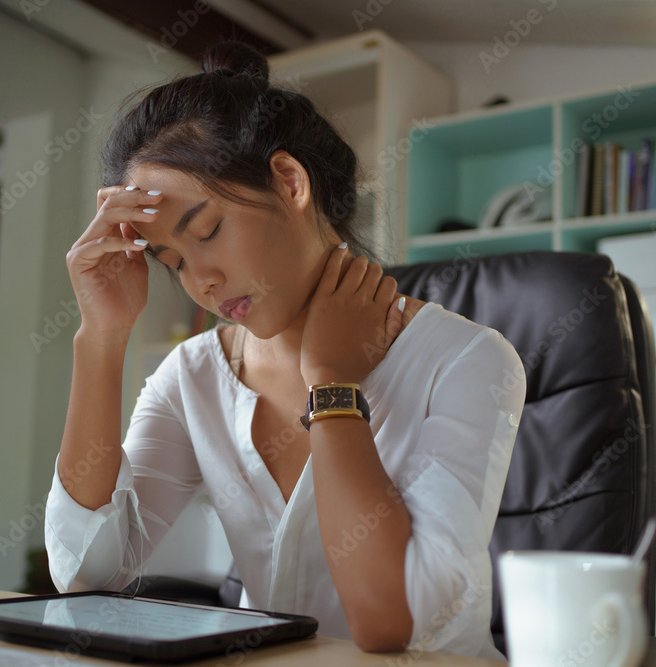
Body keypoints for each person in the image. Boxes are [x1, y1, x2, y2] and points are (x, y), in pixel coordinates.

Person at [44, 40, 525, 659]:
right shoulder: (192, 375)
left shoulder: (468, 360)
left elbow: (391, 623)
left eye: (208, 230)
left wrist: (331, 384)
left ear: (291, 183)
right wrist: (102, 338)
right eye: (173, 262)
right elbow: (84, 574)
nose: (201, 283)